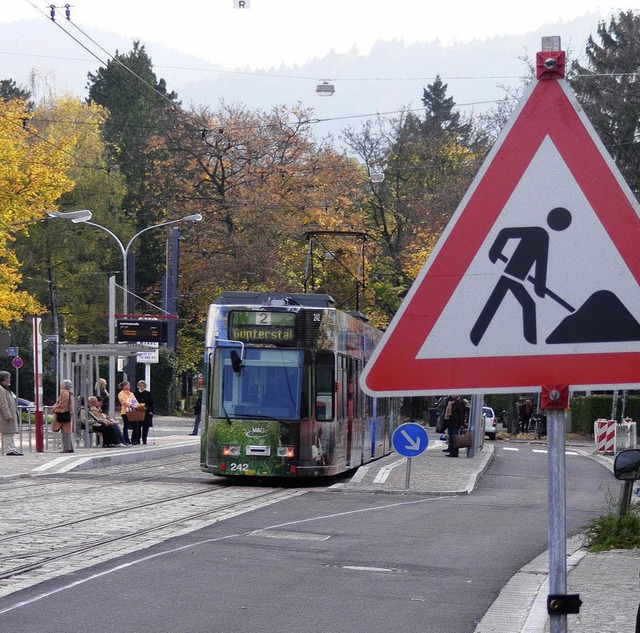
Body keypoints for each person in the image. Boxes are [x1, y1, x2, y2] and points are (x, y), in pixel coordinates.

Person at [0, 371, 22, 456]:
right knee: (7, 432)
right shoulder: (1, 389)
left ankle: (12, 448)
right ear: (4, 379)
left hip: (10, 414)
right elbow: (3, 404)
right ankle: (9, 450)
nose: (9, 380)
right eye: (8, 378)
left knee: (11, 432)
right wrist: (7, 415)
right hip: (5, 416)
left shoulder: (5, 388)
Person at [52, 379, 75, 453]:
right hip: (67, 413)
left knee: (65, 431)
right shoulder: (68, 393)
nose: (61, 385)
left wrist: (55, 408)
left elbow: (62, 404)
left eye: (62, 384)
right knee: (66, 431)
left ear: (65, 385)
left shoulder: (64, 393)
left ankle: (67, 447)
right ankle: (69, 447)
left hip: (63, 413)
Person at [118, 381, 140, 445]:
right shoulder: (121, 394)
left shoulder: (131, 394)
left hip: (133, 411)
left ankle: (134, 440)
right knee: (126, 425)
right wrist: (131, 405)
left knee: (135, 425)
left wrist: (137, 406)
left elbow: (135, 401)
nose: (129, 386)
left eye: (129, 385)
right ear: (124, 386)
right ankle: (126, 439)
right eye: (128, 385)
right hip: (125, 412)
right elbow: (123, 402)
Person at [134, 380, 155, 445]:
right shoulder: (135, 394)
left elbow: (151, 403)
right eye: (140, 385)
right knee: (138, 426)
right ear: (138, 386)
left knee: (146, 426)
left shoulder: (148, 393)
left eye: (143, 385)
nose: (142, 387)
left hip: (147, 412)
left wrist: (151, 411)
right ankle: (137, 440)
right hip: (138, 412)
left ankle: (144, 439)